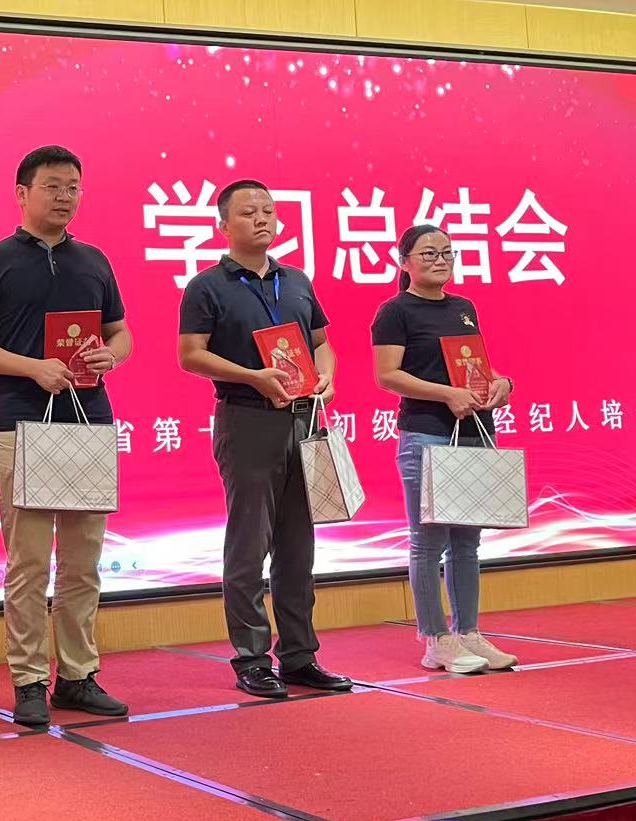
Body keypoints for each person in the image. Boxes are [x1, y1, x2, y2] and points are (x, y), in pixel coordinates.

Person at [0, 145, 132, 728]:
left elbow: (121, 333)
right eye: (53, 186)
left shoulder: (94, 260)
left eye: (73, 187)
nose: (65, 196)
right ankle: (29, 680)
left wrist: (111, 356)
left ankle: (78, 675)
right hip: (21, 422)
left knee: (83, 563)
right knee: (29, 563)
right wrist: (32, 368)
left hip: (89, 421)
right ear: (22, 193)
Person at [177, 180, 351, 699]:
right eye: (249, 212)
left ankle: (299, 656)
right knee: (249, 545)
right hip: (247, 419)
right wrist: (253, 377)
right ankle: (252, 659)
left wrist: (326, 377)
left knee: (299, 546)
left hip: (303, 419)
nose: (262, 219)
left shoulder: (295, 280)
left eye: (269, 211)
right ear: (223, 225)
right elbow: (190, 354)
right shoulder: (207, 286)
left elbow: (322, 344)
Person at [372, 224, 519, 674]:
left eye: (447, 252)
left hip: (475, 431)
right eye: (429, 253)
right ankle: (436, 639)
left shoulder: (463, 308)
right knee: (428, 543)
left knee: (467, 543)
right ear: (405, 262)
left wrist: (501, 383)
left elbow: (473, 367)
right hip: (427, 433)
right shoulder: (395, 311)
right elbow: (387, 375)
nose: (441, 260)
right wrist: (446, 395)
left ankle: (469, 633)